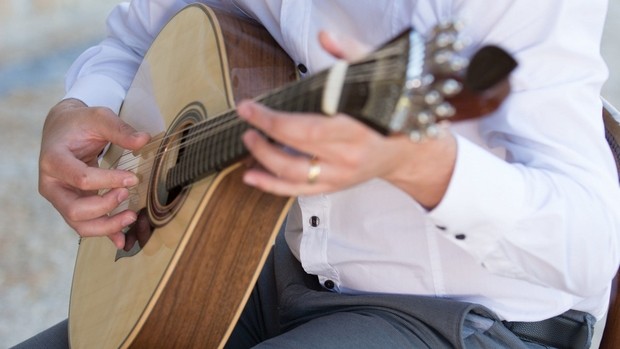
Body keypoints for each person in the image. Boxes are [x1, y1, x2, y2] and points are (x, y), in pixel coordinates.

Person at [16, 0, 620, 348]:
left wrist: (425, 165)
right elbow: (135, 40)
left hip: (466, 316)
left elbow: (590, 243)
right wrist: (79, 106)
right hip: (261, 268)